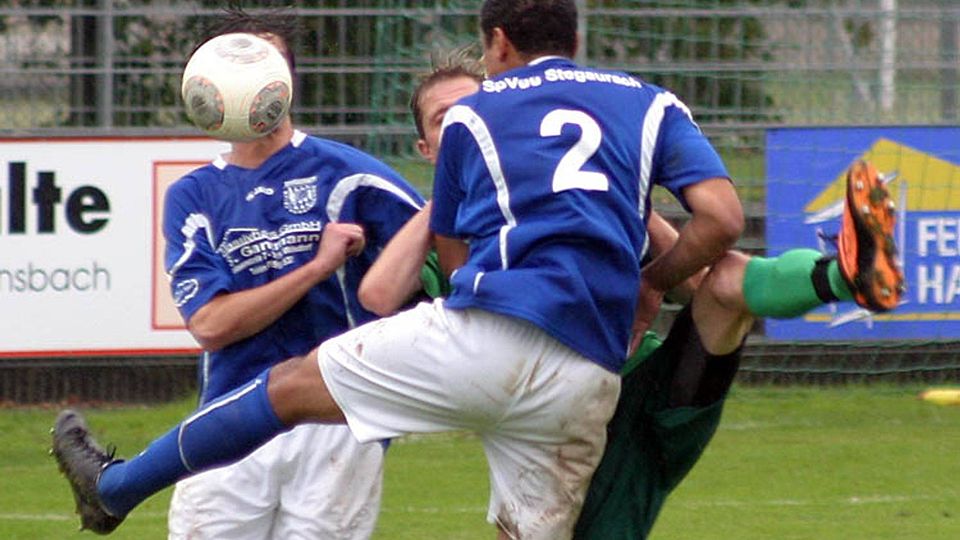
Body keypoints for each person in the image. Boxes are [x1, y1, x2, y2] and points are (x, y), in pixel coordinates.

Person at [50, 2, 903, 538]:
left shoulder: (474, 124)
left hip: (489, 340)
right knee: (717, 295)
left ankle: (116, 489)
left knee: (285, 387)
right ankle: (838, 273)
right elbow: (718, 226)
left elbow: (428, 279)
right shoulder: (639, 105)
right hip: (588, 379)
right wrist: (644, 286)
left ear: (497, 44)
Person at [360, 53, 904, 540]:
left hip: (640, 393)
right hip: (557, 426)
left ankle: (846, 274)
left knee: (727, 279)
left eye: (473, 109)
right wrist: (447, 198)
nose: (466, 123)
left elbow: (699, 277)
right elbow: (378, 296)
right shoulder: (448, 241)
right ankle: (843, 276)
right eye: (446, 121)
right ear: (427, 147)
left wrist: (645, 252)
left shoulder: (580, 206)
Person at [159, 8, 423, 540]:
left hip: (336, 420)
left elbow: (439, 251)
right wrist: (319, 267)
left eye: (270, 62)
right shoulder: (194, 196)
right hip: (230, 418)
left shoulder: (350, 176)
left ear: (288, 81)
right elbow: (211, 325)